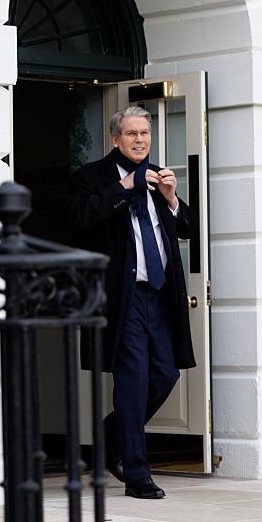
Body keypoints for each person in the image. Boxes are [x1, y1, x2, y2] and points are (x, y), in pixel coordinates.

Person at [67, 106, 197, 499]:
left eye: (145, 132)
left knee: (165, 375)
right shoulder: (91, 178)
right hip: (120, 298)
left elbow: (188, 228)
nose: (140, 139)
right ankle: (137, 473)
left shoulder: (158, 176)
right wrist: (124, 189)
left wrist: (173, 199)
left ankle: (111, 432)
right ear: (115, 139)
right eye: (131, 133)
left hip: (158, 295)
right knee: (132, 380)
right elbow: (80, 220)